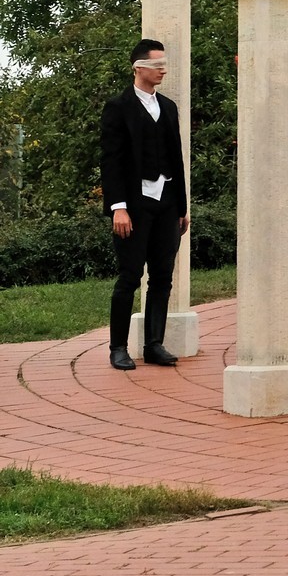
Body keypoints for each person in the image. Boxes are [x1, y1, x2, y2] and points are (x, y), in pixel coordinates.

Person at [99, 39, 190, 371]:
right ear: (138, 68)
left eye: (164, 64)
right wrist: (118, 207)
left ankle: (154, 344)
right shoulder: (118, 107)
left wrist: (181, 207)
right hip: (134, 205)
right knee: (130, 276)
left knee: (163, 276)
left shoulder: (168, 107)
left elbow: (176, 159)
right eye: (156, 65)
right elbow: (111, 161)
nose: (163, 70)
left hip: (167, 202)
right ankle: (118, 348)